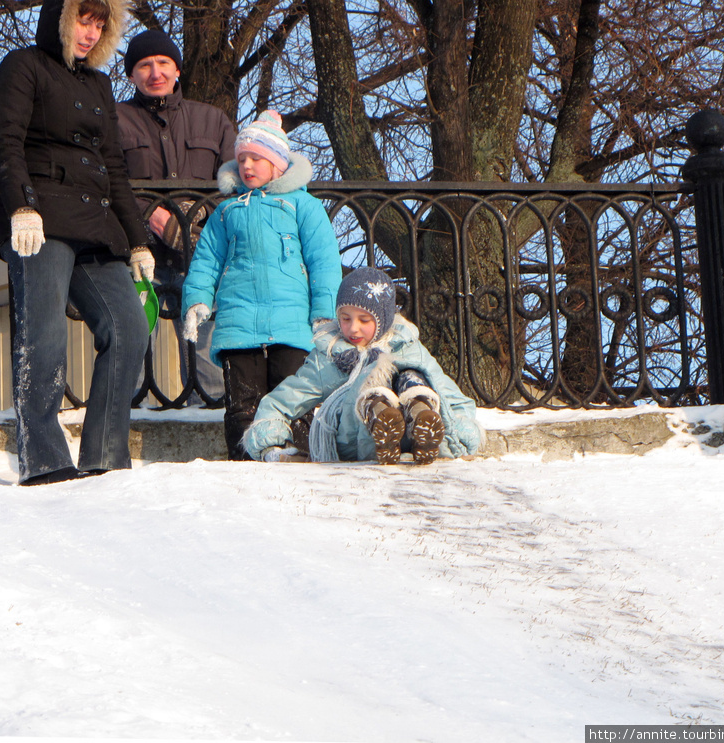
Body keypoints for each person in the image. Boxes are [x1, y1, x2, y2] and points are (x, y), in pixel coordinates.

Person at [0, 0, 154, 486]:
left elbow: (115, 169)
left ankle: (105, 455)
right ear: (62, 18)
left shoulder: (99, 84)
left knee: (129, 328)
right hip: (39, 221)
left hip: (95, 227)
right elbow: (5, 140)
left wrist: (138, 241)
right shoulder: (24, 66)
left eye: (100, 24)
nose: (90, 32)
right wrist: (21, 205)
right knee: (44, 337)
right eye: (84, 20)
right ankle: (44, 461)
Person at [181, 110, 344, 460]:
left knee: (293, 398)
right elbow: (206, 261)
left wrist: (324, 314)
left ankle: (297, 456)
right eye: (242, 159)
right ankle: (245, 462)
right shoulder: (226, 212)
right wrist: (196, 301)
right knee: (243, 403)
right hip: (238, 322)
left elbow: (324, 263)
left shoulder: (303, 206)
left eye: (257, 158)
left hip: (291, 323)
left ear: (279, 165)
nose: (248, 166)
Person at [242, 266, 483, 465]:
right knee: (370, 377)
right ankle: (379, 413)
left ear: (384, 320)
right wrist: (271, 445)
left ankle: (420, 416)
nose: (353, 328)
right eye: (345, 319)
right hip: (354, 440)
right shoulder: (330, 356)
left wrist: (462, 438)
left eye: (364, 320)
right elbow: (283, 400)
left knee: (411, 374)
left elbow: (455, 398)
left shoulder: (408, 348)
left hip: (409, 442)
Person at [117, 29, 236, 404]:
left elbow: (235, 184)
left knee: (208, 366)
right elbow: (106, 179)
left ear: (178, 69)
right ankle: (125, 429)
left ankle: (211, 426)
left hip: (200, 258)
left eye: (164, 63)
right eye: (144, 65)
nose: (155, 73)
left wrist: (192, 221)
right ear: (131, 75)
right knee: (130, 351)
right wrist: (150, 217)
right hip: (137, 255)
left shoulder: (214, 120)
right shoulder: (113, 121)